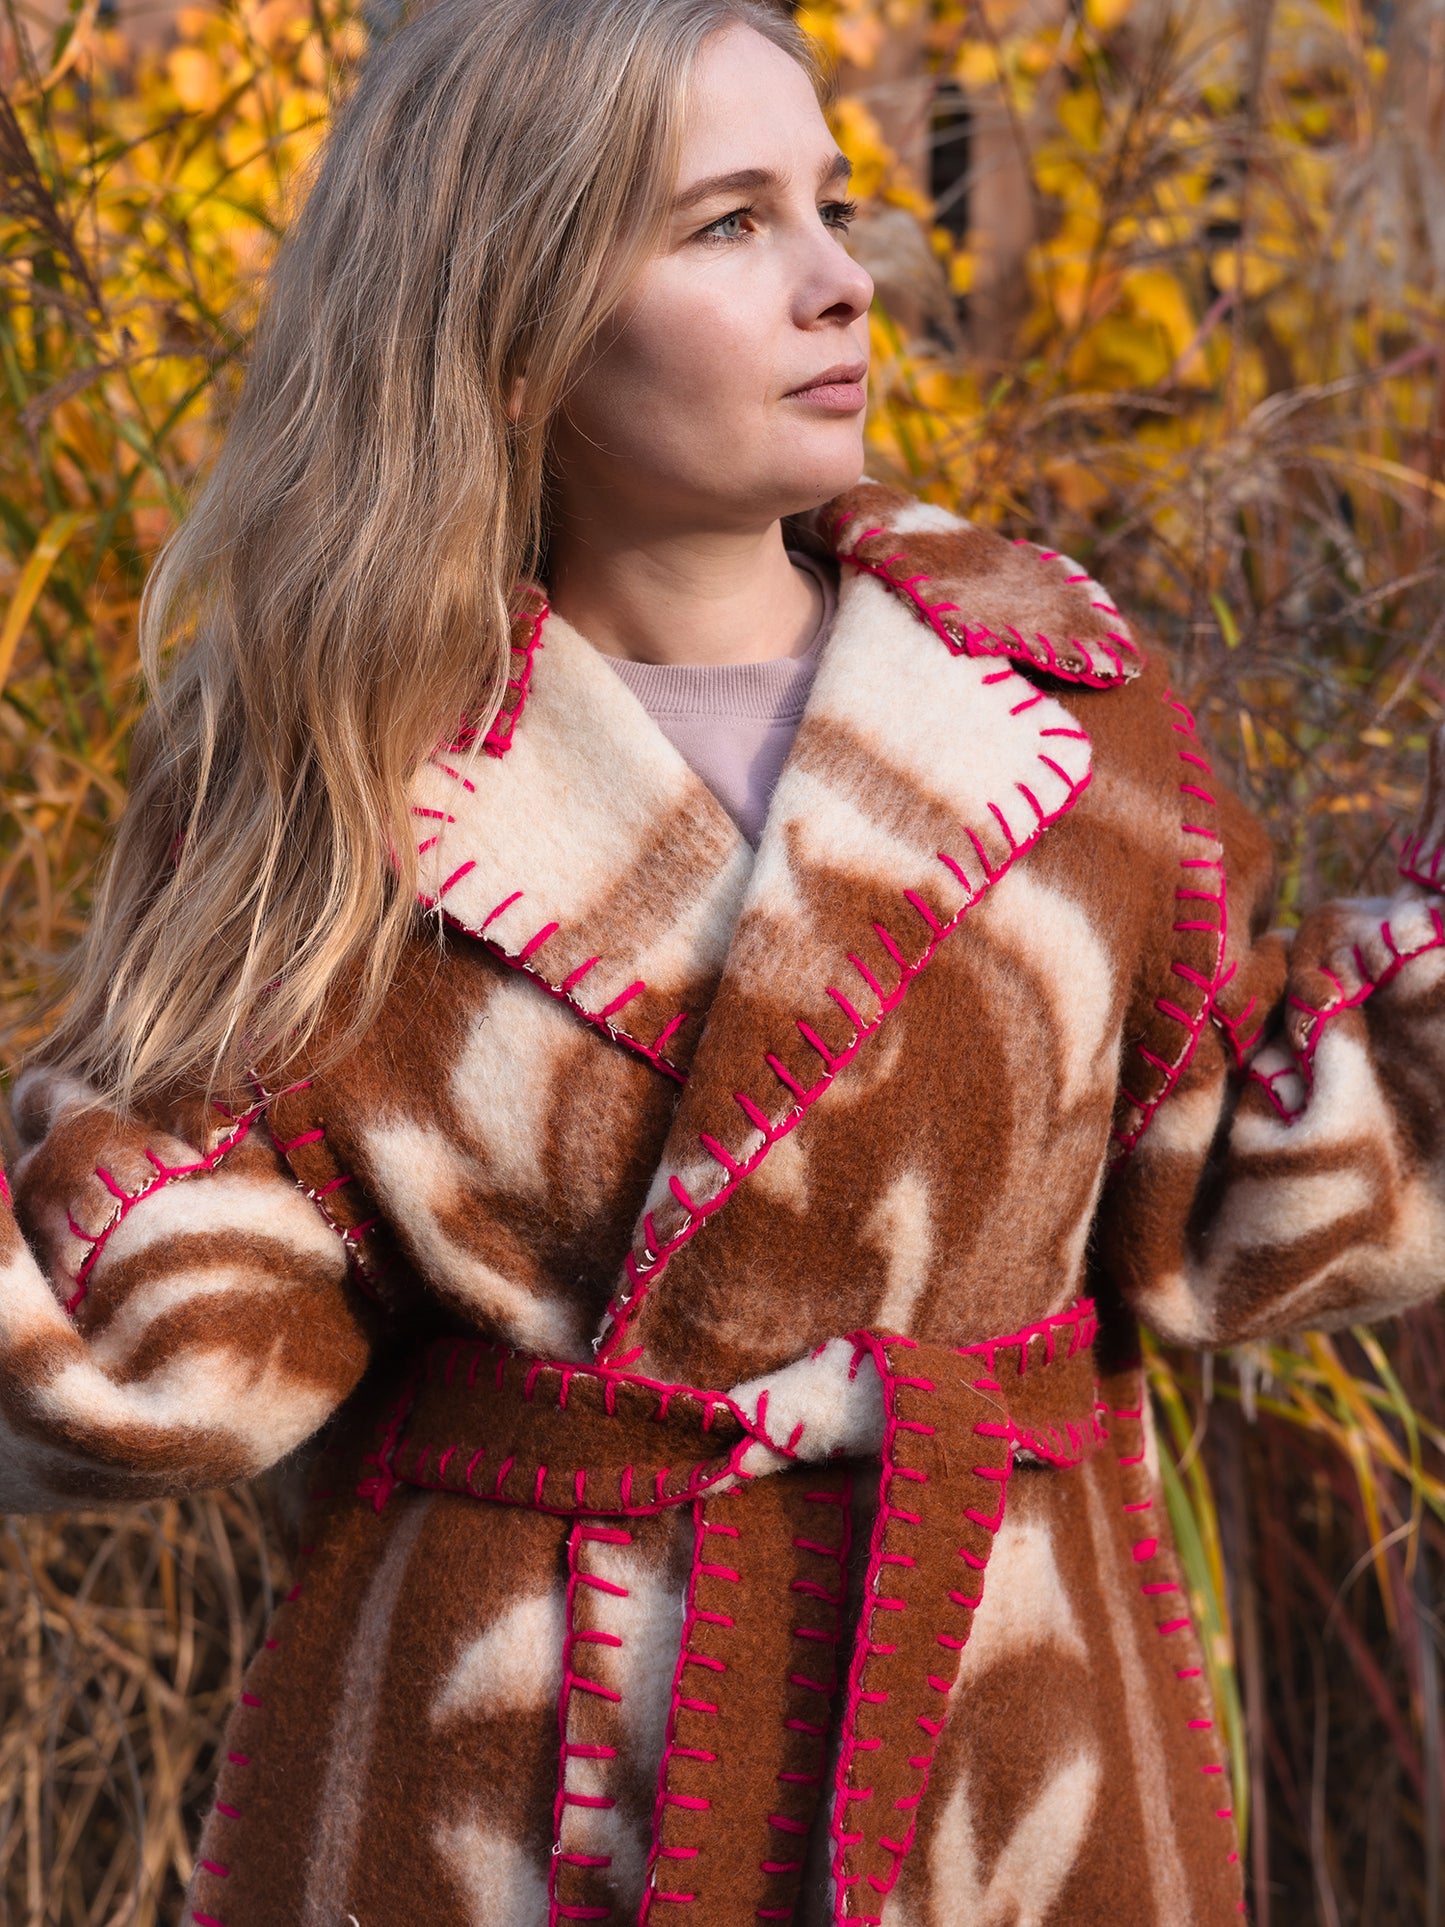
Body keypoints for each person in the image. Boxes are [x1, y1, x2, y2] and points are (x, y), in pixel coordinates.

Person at [1, 0, 1441, 1920]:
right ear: (505, 311)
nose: (844, 280)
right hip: (503, 1774)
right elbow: (153, 1331)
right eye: (726, 223)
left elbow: (1245, 1190)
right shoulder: (340, 767)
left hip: (1001, 1744)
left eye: (829, 207)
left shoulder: (1064, 717)